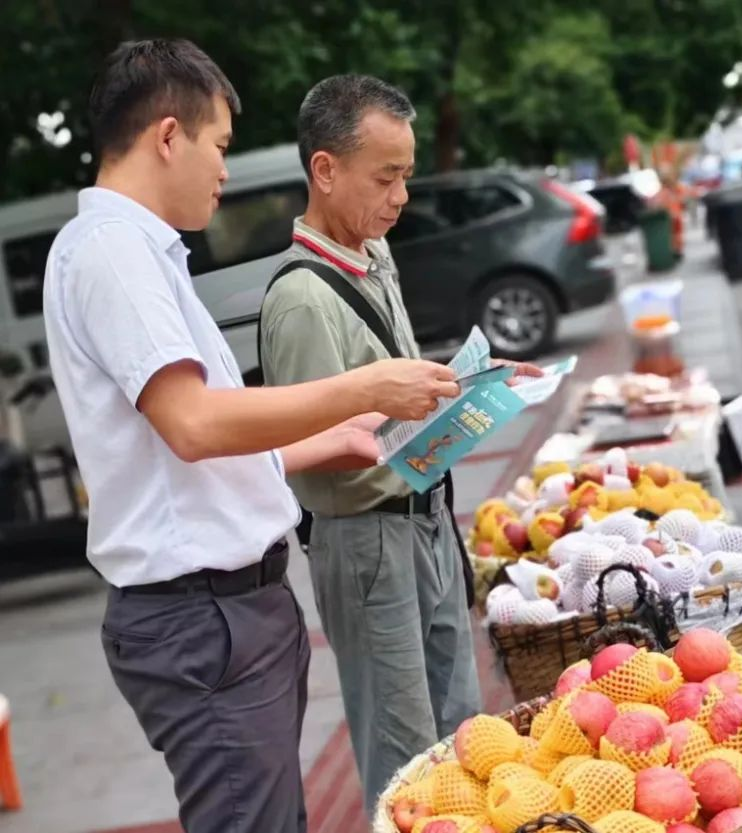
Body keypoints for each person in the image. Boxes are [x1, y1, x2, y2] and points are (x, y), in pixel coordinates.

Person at [42, 40, 459, 833]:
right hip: (202, 618)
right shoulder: (113, 252)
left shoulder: (140, 254)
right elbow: (194, 425)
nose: (225, 173)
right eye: (220, 147)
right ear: (169, 136)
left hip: (227, 612)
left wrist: (325, 437)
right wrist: (363, 386)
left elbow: (181, 450)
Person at [259, 74, 540, 811]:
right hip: (367, 540)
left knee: (461, 732)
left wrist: (467, 383)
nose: (401, 196)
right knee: (406, 754)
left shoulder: (375, 258)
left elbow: (395, 387)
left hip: (425, 520)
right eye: (386, 177)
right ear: (325, 169)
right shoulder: (300, 300)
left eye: (406, 176)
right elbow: (311, 439)